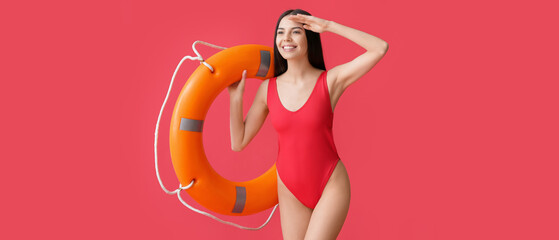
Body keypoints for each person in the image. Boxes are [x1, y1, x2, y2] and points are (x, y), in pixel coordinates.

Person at [228, 9, 388, 240]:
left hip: (330, 183)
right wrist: (235, 98)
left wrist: (329, 25)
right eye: (281, 32)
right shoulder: (267, 89)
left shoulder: (330, 81)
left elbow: (379, 48)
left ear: (309, 37)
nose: (287, 39)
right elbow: (238, 142)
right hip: (290, 189)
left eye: (296, 32)